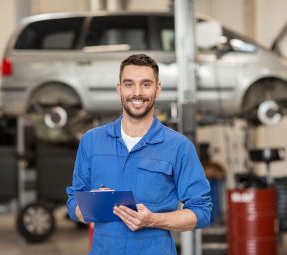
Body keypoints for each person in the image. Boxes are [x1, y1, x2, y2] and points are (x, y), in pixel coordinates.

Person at [66, 54, 212, 254]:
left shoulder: (179, 146)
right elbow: (73, 202)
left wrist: (154, 219)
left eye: (145, 84)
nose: (137, 93)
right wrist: (93, 205)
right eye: (129, 84)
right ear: (119, 89)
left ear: (157, 89)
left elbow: (202, 211)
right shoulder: (91, 142)